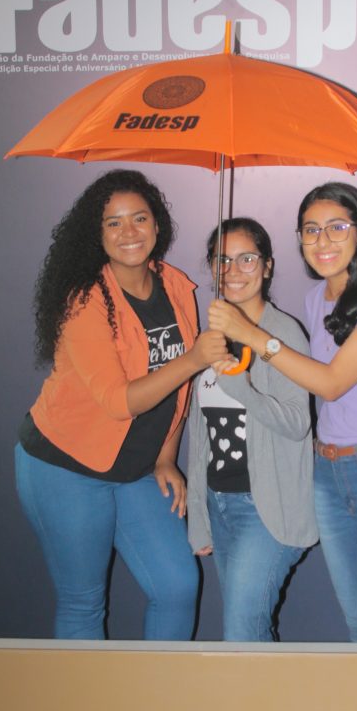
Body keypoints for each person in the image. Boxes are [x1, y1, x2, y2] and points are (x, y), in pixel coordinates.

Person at [209, 182, 357, 643]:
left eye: (336, 227)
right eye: (310, 230)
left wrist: (252, 335)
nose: (322, 241)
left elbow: (332, 383)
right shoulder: (316, 300)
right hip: (328, 474)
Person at [15, 169, 229, 641]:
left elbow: (179, 391)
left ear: (158, 225)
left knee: (176, 586)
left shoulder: (176, 286)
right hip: (65, 466)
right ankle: (87, 694)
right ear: (97, 234)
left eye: (139, 218)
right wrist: (194, 358)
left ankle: (157, 691)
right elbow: (117, 402)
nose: (129, 231)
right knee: (83, 601)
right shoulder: (84, 300)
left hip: (134, 469)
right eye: (113, 222)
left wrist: (166, 457)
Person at [187, 218, 318, 641]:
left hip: (266, 511)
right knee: (247, 634)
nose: (233, 270)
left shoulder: (283, 334)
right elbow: (199, 436)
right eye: (222, 260)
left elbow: (298, 425)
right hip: (219, 504)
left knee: (242, 635)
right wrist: (199, 515)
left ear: (267, 266)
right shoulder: (210, 337)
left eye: (247, 259)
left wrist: (241, 388)